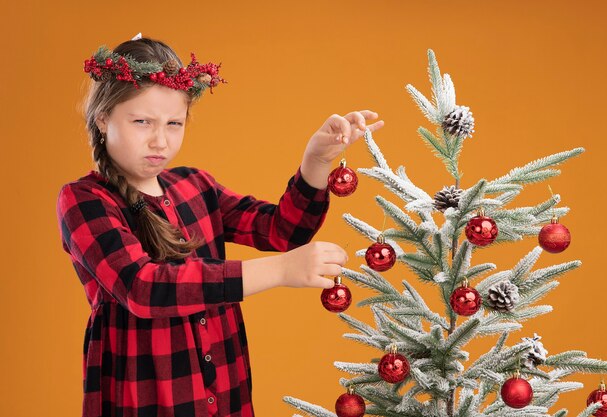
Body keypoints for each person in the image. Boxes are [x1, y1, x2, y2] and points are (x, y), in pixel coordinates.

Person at [56, 33, 384, 417]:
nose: (160, 140)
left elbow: (282, 231)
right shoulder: (84, 200)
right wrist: (279, 270)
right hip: (146, 399)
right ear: (103, 119)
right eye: (142, 122)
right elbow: (143, 287)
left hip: (227, 396)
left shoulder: (196, 186)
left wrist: (316, 162)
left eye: (174, 123)